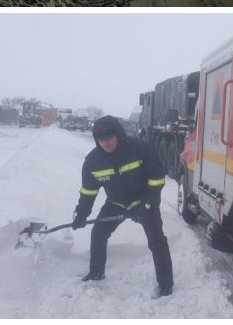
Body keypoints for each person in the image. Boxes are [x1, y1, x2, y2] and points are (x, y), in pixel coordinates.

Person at [72, 116, 173, 295]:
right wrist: (81, 215)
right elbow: (88, 192)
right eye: (102, 139)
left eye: (110, 137)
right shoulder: (92, 162)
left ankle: (165, 284)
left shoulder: (141, 149)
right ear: (97, 140)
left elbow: (157, 180)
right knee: (98, 233)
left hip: (143, 201)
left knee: (157, 240)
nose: (106, 142)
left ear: (118, 134)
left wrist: (147, 205)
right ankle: (96, 272)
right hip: (116, 203)